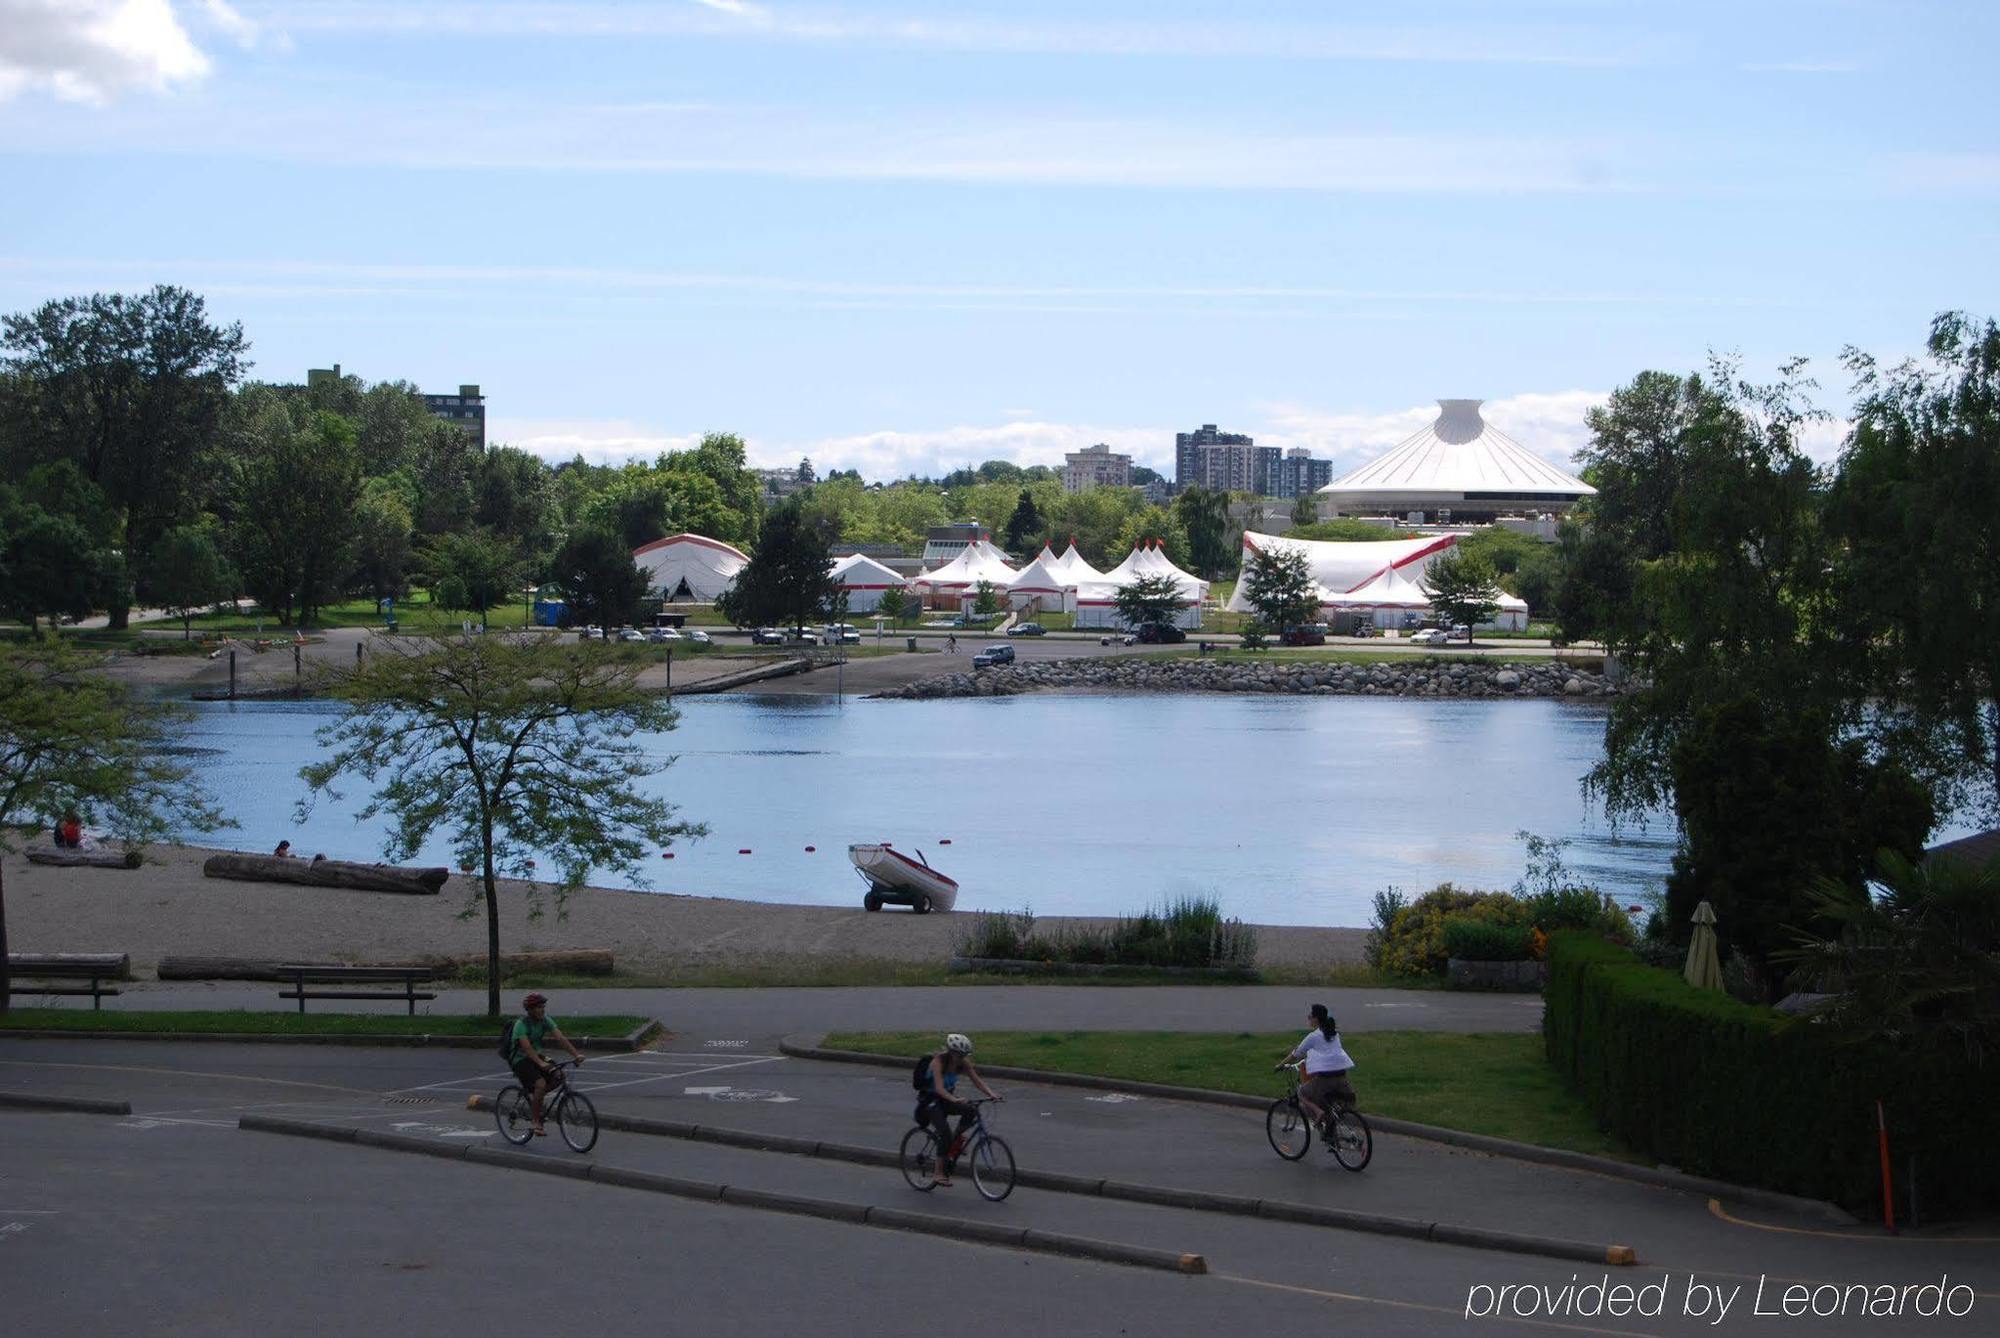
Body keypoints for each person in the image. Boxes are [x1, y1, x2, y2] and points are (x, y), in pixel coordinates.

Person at [917, 1032, 999, 1186]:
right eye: (959, 1055)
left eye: (965, 1055)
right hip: (932, 1100)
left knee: (971, 1110)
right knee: (945, 1134)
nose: (962, 1058)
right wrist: (955, 1099)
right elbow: (940, 1089)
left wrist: (992, 1094)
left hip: (946, 1099)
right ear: (951, 1052)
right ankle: (937, 1173)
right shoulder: (938, 1062)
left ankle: (955, 1141)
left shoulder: (963, 1062)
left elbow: (977, 1081)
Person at [1277, 1003, 1357, 1144]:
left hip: (1326, 1079)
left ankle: (1318, 1112)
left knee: (1302, 1092)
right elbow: (1328, 1053)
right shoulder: (1334, 1034)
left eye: (1310, 1016)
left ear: (1316, 1019)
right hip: (1342, 1078)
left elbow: (1296, 1054)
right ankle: (1331, 1137)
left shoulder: (1313, 1036)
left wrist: (1280, 1065)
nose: (1308, 1018)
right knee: (1329, 1105)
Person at [508, 992, 584, 1136]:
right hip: (520, 1059)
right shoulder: (521, 1024)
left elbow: (560, 1038)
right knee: (541, 1083)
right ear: (530, 1010)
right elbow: (527, 1048)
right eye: (538, 1007)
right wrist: (540, 1063)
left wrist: (576, 1055)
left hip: (537, 1056)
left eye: (543, 1006)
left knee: (559, 1075)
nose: (542, 1010)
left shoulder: (545, 1020)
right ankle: (536, 1121)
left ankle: (538, 1099)